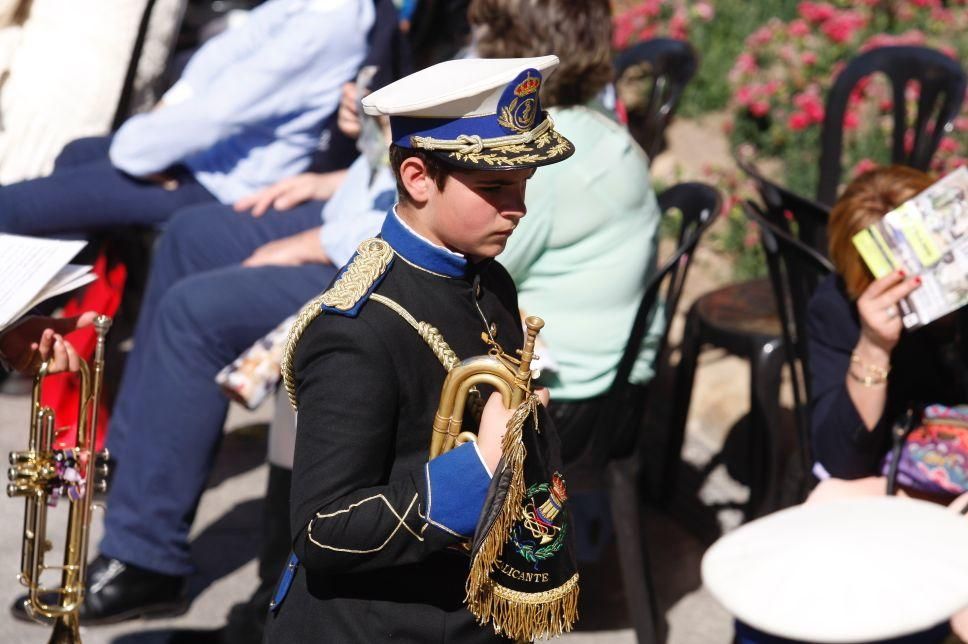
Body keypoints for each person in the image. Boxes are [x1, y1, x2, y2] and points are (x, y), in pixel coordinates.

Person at [264, 55, 578, 642]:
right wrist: (479, 467)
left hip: (460, 607)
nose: (519, 207)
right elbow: (323, 529)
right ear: (416, 178)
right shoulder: (358, 329)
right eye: (494, 187)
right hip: (377, 625)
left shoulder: (485, 277)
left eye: (524, 184)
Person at [468, 0, 663, 466]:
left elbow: (470, 266)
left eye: (485, 34)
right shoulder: (593, 126)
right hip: (610, 382)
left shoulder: (549, 156)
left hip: (572, 397)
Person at [0, 0, 374, 237]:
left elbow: (220, 111)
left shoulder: (329, 27)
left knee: (13, 206)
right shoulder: (312, 8)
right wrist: (161, 121)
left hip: (223, 184)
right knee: (77, 154)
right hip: (196, 154)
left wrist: (143, 149)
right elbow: (218, 60)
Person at [808, 165, 967, 481]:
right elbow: (840, 461)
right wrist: (874, 347)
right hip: (918, 464)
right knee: (832, 494)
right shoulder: (839, 310)